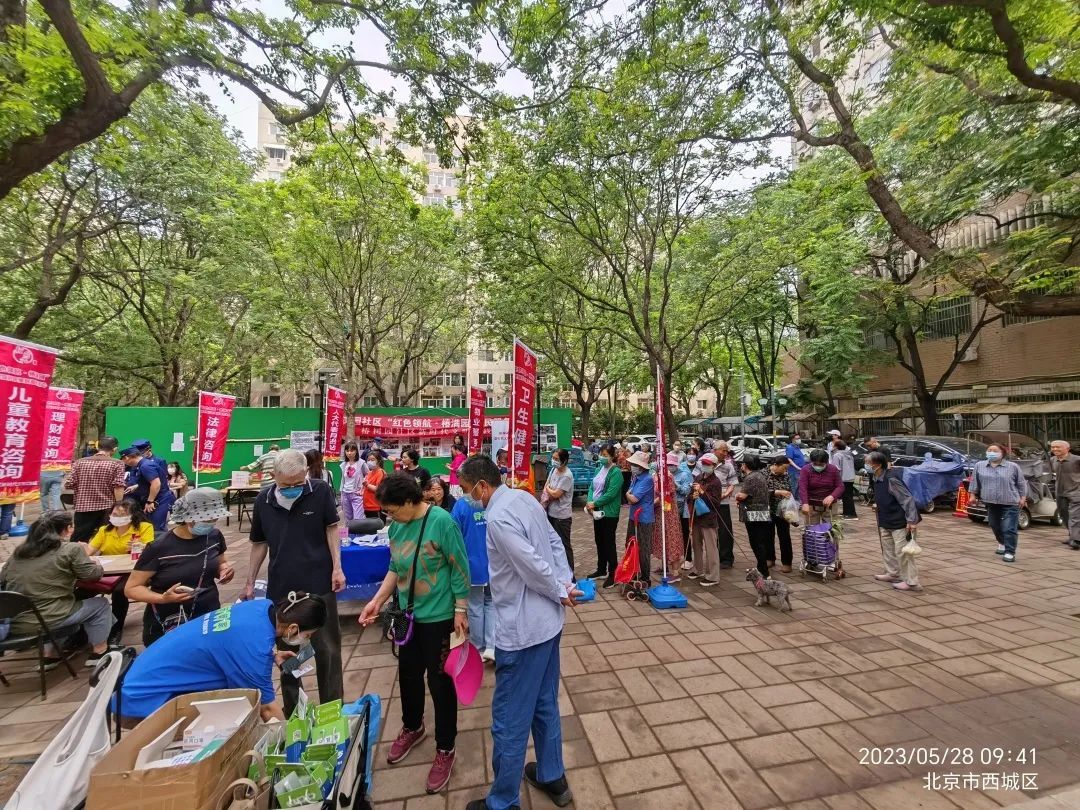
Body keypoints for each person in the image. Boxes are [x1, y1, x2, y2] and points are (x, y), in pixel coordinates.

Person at [456, 456, 575, 810]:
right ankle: (552, 774)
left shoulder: (498, 518)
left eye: (467, 490)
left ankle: (503, 801)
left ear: (482, 486)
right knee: (544, 703)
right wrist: (565, 581)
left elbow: (531, 567)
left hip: (523, 632)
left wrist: (560, 588)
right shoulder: (524, 497)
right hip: (548, 624)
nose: (466, 497)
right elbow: (554, 543)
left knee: (509, 719)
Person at [358, 474, 470, 795]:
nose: (389, 517)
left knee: (440, 682)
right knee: (408, 675)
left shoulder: (442, 522)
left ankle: (445, 747)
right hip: (407, 616)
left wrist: (461, 610)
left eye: (392, 510)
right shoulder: (396, 527)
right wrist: (377, 600)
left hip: (440, 617)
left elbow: (460, 567)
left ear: (410, 501)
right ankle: (413, 726)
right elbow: (396, 567)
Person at [118, 592, 328, 723]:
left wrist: (271, 654)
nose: (306, 639)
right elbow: (267, 710)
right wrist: (295, 746)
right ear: (293, 628)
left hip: (141, 672)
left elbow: (229, 642)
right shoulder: (253, 650)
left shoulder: (261, 607)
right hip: (144, 699)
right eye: (307, 635)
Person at [245, 449, 345, 716]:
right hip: (282, 587)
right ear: (274, 476)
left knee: (327, 649)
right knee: (287, 653)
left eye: (298, 483)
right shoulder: (264, 500)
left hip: (319, 582)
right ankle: (293, 711)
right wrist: (249, 581)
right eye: (286, 485)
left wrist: (337, 568)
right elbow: (259, 543)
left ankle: (332, 708)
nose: (293, 489)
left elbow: (332, 529)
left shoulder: (320, 491)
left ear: (306, 473)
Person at [1, 511, 112, 668]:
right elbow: (92, 575)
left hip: (15, 622)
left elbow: (3, 580)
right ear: (67, 529)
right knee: (100, 604)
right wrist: (92, 560)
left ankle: (50, 655)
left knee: (53, 604)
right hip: (50, 618)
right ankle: (99, 652)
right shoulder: (71, 549)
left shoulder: (18, 553)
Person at [125, 488, 234, 646]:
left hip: (208, 615)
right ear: (189, 518)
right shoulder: (159, 547)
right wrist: (163, 598)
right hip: (169, 621)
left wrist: (224, 570)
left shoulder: (214, 536)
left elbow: (220, 563)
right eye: (208, 519)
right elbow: (132, 588)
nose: (212, 523)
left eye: (215, 519)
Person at [87, 499, 155, 647]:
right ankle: (78, 632)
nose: (117, 517)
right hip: (108, 571)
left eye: (122, 514)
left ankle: (115, 630)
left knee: (120, 591)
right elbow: (89, 550)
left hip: (133, 571)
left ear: (133, 515)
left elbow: (152, 549)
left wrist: (142, 546)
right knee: (82, 589)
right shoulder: (104, 530)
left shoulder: (144, 528)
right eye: (114, 514)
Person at [866, 451, 921, 591]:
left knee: (903, 552)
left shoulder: (891, 479)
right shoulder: (875, 477)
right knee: (888, 548)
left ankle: (911, 582)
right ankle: (892, 573)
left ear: (878, 465)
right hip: (885, 518)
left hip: (900, 520)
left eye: (868, 463)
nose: (866, 466)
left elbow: (907, 499)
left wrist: (912, 521)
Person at [452, 483, 494, 660]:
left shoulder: (461, 505)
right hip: (494, 562)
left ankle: (478, 647)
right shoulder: (490, 501)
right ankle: (491, 646)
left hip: (471, 563)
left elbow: (453, 535)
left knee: (475, 606)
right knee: (491, 603)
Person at [968, 444, 1027, 562]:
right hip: (990, 501)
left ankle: (1010, 552)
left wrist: (1023, 497)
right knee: (994, 524)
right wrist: (972, 495)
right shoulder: (980, 466)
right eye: (989, 450)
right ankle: (1002, 542)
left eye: (995, 450)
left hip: (1010, 501)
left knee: (1009, 528)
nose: (991, 452)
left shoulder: (1013, 467)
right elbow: (974, 482)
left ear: (1002, 453)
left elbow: (1021, 483)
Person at [66, 435, 127, 543]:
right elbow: (118, 486)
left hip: (83, 507)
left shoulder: (79, 462)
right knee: (106, 539)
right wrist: (118, 505)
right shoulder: (117, 463)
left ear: (98, 446)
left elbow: (69, 484)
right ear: (115, 449)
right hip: (107, 508)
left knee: (79, 539)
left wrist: (84, 486)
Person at [584, 444, 624, 587]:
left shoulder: (616, 473)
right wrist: (590, 501)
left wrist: (594, 503)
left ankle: (613, 574)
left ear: (612, 456)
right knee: (599, 541)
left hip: (609, 513)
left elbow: (611, 494)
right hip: (596, 511)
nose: (602, 457)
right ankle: (601, 570)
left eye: (605, 455)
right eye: (601, 454)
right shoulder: (598, 469)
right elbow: (592, 487)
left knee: (609, 543)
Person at [689, 454, 726, 586]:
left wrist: (702, 492)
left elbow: (716, 502)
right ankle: (698, 569)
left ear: (714, 466)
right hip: (697, 517)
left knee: (711, 548)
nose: (705, 466)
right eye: (704, 463)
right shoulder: (698, 477)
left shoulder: (716, 482)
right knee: (696, 545)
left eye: (708, 464)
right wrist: (693, 495)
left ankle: (713, 576)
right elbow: (690, 495)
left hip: (709, 519)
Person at [735, 456, 773, 578]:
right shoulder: (760, 475)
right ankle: (761, 568)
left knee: (756, 543)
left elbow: (742, 496)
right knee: (760, 541)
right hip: (762, 512)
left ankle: (764, 572)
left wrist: (737, 496)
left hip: (753, 513)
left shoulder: (750, 478)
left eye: (742, 464)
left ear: (745, 465)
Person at [799, 448, 845, 546]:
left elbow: (840, 486)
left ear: (826, 462)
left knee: (831, 530)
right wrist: (805, 503)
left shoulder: (833, 469)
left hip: (830, 506)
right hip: (811, 504)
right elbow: (803, 488)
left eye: (821, 464)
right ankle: (814, 553)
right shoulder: (805, 469)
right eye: (815, 464)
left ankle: (831, 552)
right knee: (811, 531)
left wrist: (832, 496)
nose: (818, 466)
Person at [132, 439, 177, 532]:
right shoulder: (137, 462)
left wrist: (151, 500)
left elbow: (161, 479)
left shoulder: (158, 461)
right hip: (143, 496)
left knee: (157, 525)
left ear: (148, 449)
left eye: (141, 452)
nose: (139, 455)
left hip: (157, 497)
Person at [543, 449, 575, 577]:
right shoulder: (553, 470)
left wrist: (549, 489)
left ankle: (570, 575)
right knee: (553, 544)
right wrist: (549, 489)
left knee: (564, 545)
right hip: (551, 512)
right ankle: (559, 573)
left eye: (557, 459)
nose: (554, 461)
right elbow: (547, 486)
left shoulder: (567, 475)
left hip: (562, 516)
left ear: (564, 461)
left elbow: (556, 494)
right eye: (553, 458)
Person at [624, 451, 655, 583]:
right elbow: (631, 496)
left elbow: (634, 498)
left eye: (634, 464)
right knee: (630, 544)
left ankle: (645, 577)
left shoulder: (647, 479)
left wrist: (627, 494)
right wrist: (628, 495)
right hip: (634, 516)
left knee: (643, 548)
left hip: (644, 517)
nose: (632, 466)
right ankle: (633, 572)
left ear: (641, 466)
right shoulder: (636, 477)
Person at [712, 442, 739, 569]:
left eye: (726, 451)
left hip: (723, 502)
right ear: (715, 450)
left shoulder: (728, 465)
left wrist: (725, 495)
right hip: (707, 503)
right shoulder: (704, 463)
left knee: (724, 531)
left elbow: (732, 483)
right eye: (723, 450)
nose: (725, 453)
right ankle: (713, 557)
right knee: (709, 531)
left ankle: (726, 558)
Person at [1049, 440, 1080, 550]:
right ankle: (1073, 535)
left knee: (1075, 516)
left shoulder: (1077, 460)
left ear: (1067, 448)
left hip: (1076, 492)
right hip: (1060, 492)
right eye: (1053, 447)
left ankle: (1076, 540)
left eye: (1058, 447)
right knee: (1064, 515)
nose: (1055, 449)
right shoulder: (1053, 460)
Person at [766, 456, 794, 573]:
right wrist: (776, 492)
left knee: (784, 536)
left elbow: (789, 489)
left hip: (783, 511)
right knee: (768, 535)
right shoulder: (764, 474)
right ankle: (769, 558)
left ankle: (787, 562)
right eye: (784, 468)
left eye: (787, 469)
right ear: (776, 465)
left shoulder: (786, 476)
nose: (785, 471)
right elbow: (761, 491)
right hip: (768, 510)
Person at [673, 452, 694, 572]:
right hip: (668, 508)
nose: (670, 467)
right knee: (671, 534)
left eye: (672, 464)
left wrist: (676, 486)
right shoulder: (665, 474)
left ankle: (688, 558)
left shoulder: (685, 474)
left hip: (682, 508)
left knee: (685, 532)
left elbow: (687, 491)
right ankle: (672, 559)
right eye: (668, 464)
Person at [830, 439, 858, 520]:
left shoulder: (837, 455)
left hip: (843, 478)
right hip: (850, 477)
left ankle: (851, 514)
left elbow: (836, 468)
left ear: (836, 447)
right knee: (848, 495)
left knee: (846, 496)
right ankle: (846, 512)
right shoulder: (849, 454)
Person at [339, 441, 365, 522]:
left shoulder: (361, 463)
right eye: (347, 451)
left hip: (356, 494)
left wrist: (363, 489)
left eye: (352, 450)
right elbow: (343, 480)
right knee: (348, 519)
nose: (349, 453)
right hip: (345, 493)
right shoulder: (344, 464)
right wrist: (341, 493)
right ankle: (348, 531)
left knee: (358, 518)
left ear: (356, 451)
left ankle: (358, 531)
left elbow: (368, 475)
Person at [363, 450, 388, 519]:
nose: (370, 461)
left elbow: (378, 489)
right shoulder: (369, 473)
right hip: (367, 506)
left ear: (379, 461)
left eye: (372, 459)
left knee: (378, 525)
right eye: (368, 460)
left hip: (376, 507)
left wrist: (367, 485)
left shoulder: (381, 472)